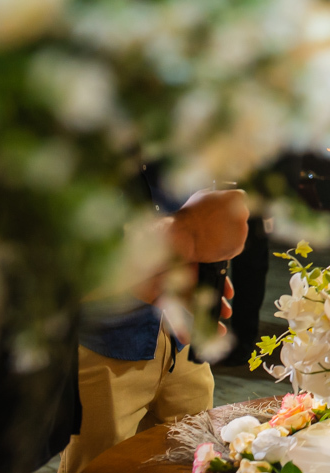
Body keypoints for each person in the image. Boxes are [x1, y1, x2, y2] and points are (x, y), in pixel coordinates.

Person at [58, 177, 249, 473]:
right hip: (105, 342)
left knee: (196, 459)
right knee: (100, 466)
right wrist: (181, 232)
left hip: (181, 337)